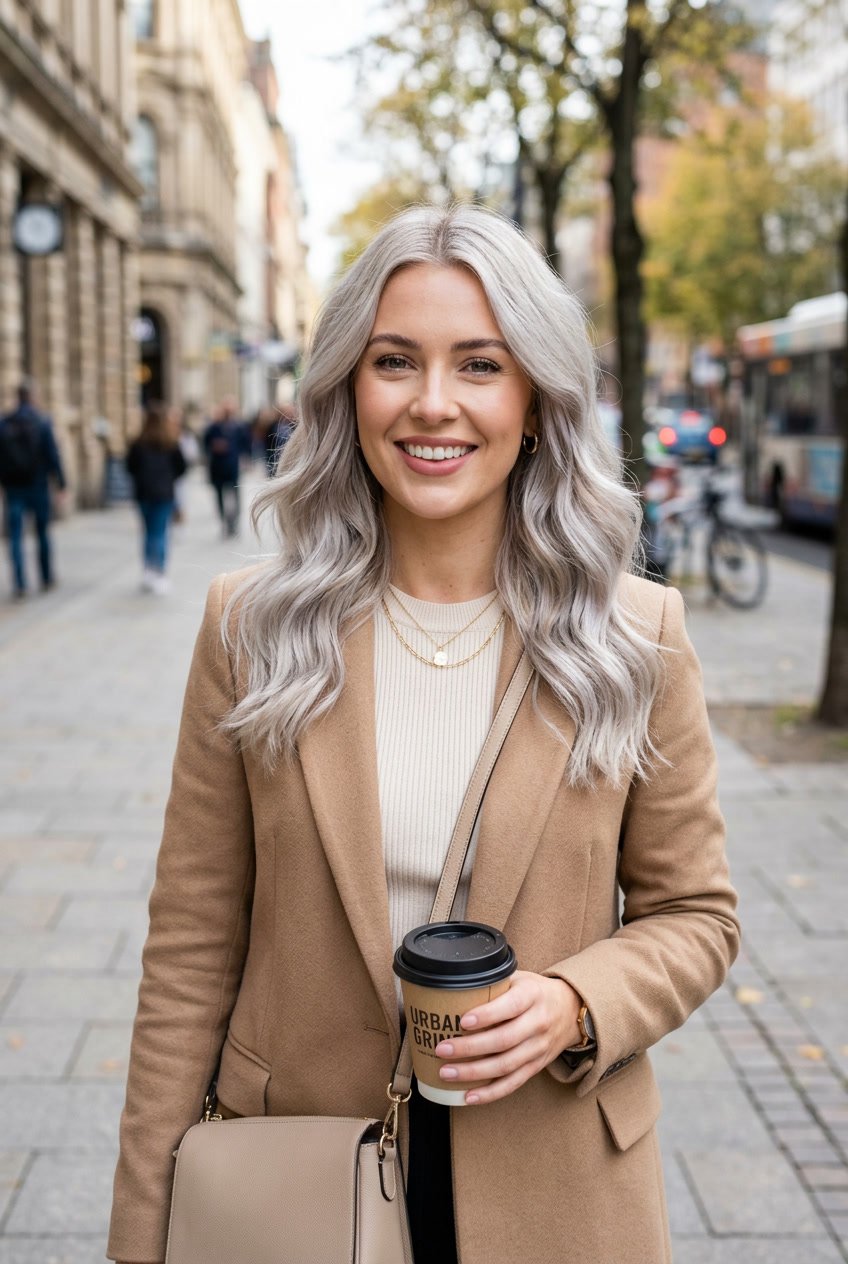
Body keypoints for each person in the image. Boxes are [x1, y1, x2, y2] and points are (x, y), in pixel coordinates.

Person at [108, 205, 739, 1264]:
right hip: (297, 1186)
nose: (432, 403)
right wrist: (139, 1234)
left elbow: (696, 915)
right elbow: (189, 949)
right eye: (393, 360)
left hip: (557, 1189)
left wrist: (576, 1001)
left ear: (535, 398)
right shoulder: (251, 626)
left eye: (479, 364)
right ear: (346, 388)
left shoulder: (636, 634)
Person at [0, 382, 66, 598]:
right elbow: (53, 455)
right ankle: (46, 578)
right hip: (38, 486)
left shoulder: (5, 423)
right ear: (33, 397)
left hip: (13, 488)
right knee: (42, 533)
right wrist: (61, 483)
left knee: (16, 537)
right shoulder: (42, 422)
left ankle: (20, 584)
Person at [125, 402, 187, 595]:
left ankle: (147, 570)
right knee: (160, 533)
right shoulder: (170, 443)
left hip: (144, 494)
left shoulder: (138, 443)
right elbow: (182, 467)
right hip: (163, 494)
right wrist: (168, 479)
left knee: (148, 532)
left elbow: (130, 467)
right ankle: (159, 571)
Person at [203, 396, 247, 536]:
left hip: (233, 467)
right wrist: (214, 447)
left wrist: (245, 460)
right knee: (220, 496)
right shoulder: (214, 427)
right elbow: (205, 444)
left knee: (235, 495)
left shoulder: (239, 426)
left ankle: (234, 522)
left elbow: (245, 445)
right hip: (217, 467)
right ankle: (224, 521)